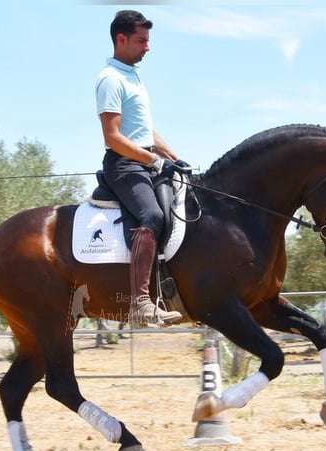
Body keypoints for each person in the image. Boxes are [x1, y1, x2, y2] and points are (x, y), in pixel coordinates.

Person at [95, 9, 187, 327]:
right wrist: (153, 160)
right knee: (153, 216)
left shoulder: (133, 76)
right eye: (141, 40)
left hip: (144, 163)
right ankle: (140, 304)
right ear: (121, 40)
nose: (147, 47)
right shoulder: (110, 80)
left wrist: (173, 158)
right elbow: (113, 137)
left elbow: (145, 132)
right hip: (123, 166)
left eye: (148, 40)